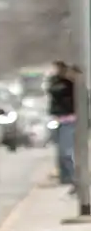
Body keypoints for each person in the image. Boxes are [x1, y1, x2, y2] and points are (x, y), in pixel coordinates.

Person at [48, 61, 77, 193]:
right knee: (60, 151)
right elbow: (51, 92)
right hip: (58, 119)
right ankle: (64, 177)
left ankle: (73, 177)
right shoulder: (55, 81)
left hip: (69, 120)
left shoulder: (70, 84)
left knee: (66, 151)